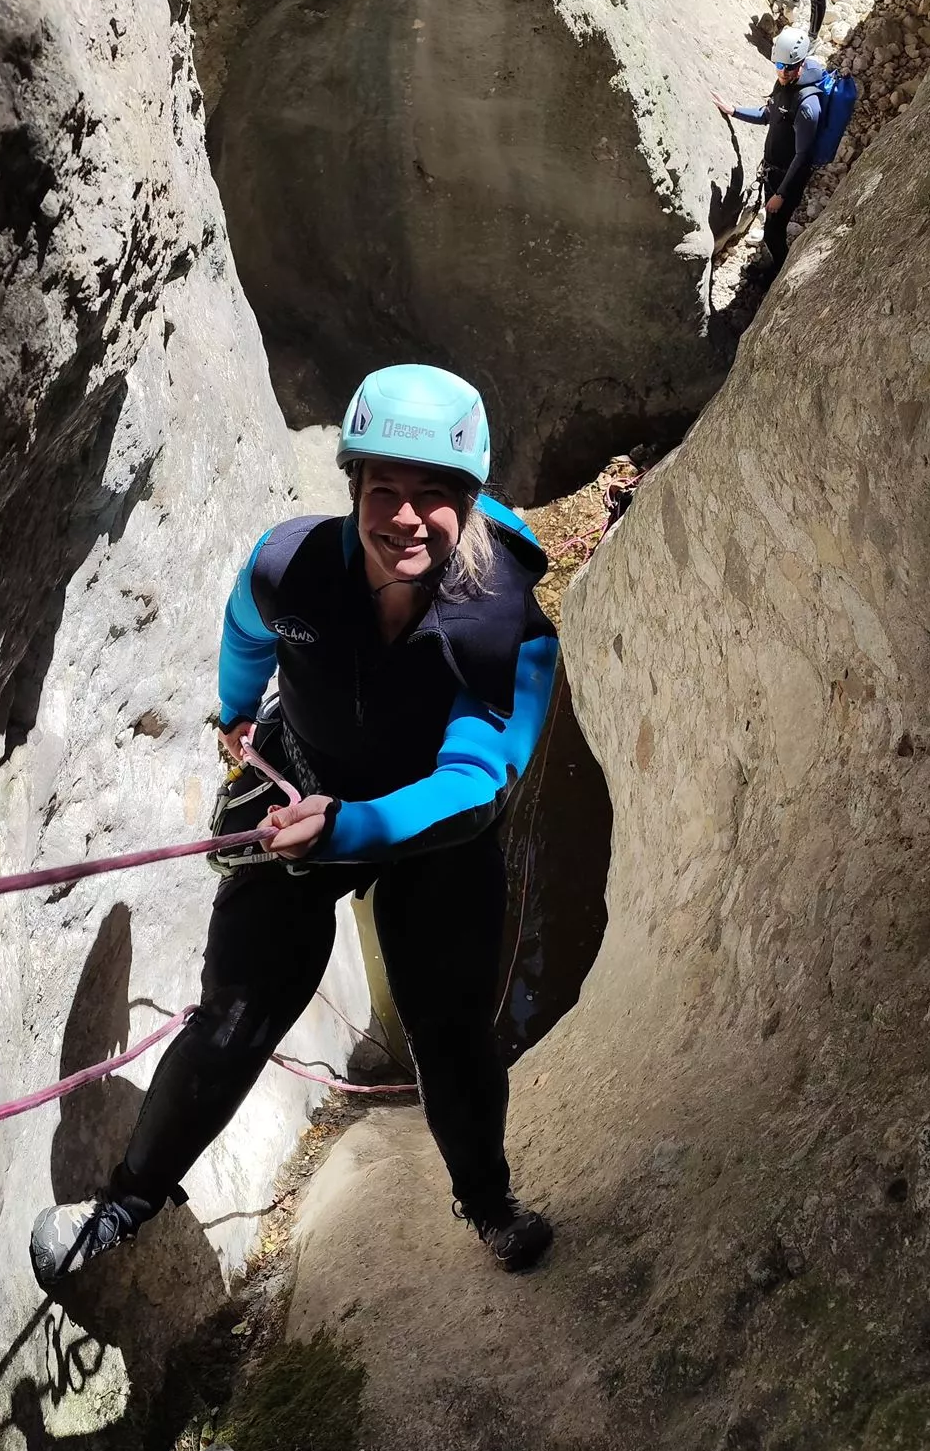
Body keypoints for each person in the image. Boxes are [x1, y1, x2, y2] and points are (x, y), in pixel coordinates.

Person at [29, 365, 562, 1289]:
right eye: (383, 490)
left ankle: (487, 1202)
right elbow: (248, 625)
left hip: (433, 840)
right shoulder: (292, 565)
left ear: (469, 503)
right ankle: (128, 1201)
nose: (404, 518)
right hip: (306, 786)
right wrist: (238, 712)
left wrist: (348, 831)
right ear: (352, 486)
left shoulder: (504, 626)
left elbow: (473, 784)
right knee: (235, 1011)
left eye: (433, 497)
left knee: (451, 1033)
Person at [711, 26, 826, 288]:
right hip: (774, 173)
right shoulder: (784, 83)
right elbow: (768, 116)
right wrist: (735, 110)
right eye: (779, 65)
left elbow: (802, 156)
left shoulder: (808, 106)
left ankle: (779, 273)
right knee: (772, 225)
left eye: (790, 67)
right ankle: (773, 263)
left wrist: (781, 194)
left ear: (802, 63)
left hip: (788, 179)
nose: (783, 72)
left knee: (775, 231)